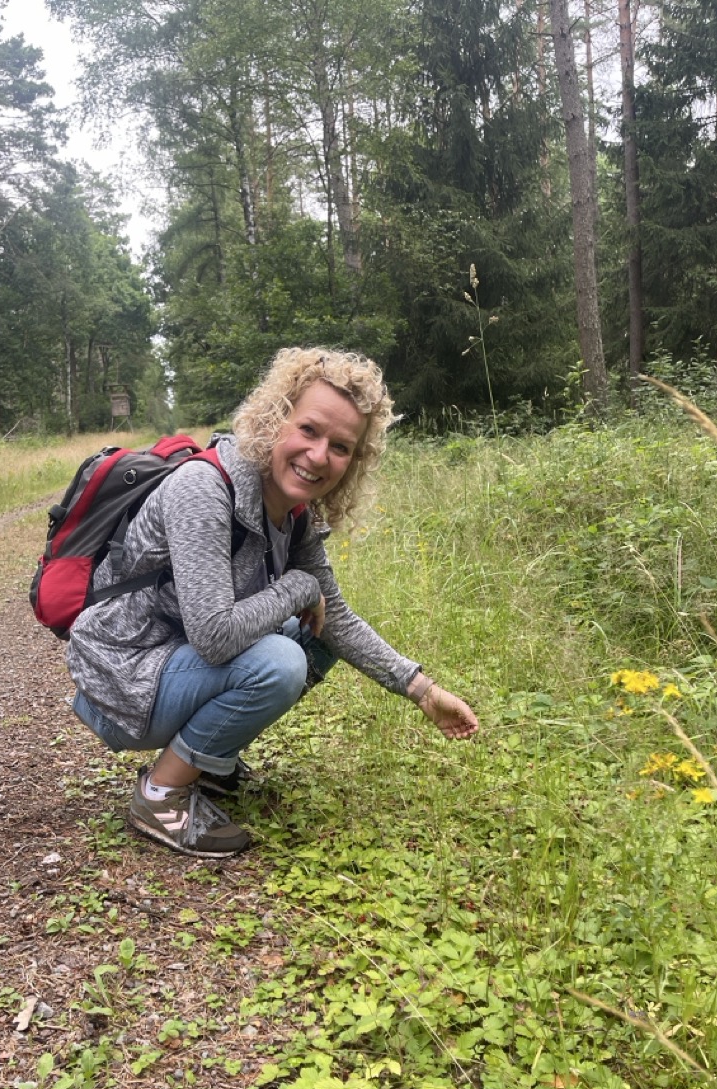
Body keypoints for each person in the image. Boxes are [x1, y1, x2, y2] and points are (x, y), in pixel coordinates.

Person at [67, 347, 479, 858]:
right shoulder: (204, 489)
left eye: (340, 447)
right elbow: (214, 637)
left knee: (314, 637)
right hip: (122, 681)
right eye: (308, 430)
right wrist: (298, 587)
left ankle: (206, 767)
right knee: (282, 659)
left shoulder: (292, 512)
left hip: (171, 663)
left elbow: (336, 619)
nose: (319, 456)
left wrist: (423, 691)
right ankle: (160, 794)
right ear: (274, 420)